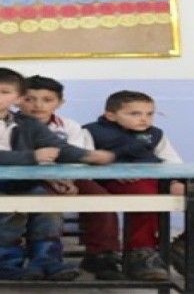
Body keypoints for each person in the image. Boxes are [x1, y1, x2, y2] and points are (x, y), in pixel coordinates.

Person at [0, 67, 114, 281]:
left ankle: (47, 262)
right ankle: (6, 267)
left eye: (4, 92)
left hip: (20, 182)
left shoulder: (28, 123)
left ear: (18, 98)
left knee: (49, 207)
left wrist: (88, 156)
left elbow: (56, 147)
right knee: (12, 211)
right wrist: (31, 157)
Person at [19, 75, 124, 280]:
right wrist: (52, 178)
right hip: (29, 179)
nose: (38, 105)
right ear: (17, 100)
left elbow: (78, 157)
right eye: (29, 99)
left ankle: (100, 254)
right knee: (48, 204)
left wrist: (67, 178)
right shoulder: (11, 125)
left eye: (47, 100)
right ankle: (46, 259)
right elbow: (15, 158)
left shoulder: (70, 126)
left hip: (70, 177)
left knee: (101, 199)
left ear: (60, 102)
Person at [83, 90, 184, 281]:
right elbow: (83, 161)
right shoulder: (91, 131)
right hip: (114, 182)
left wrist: (173, 181)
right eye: (135, 113)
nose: (144, 119)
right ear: (110, 115)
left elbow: (172, 162)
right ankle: (140, 252)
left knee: (187, 192)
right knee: (144, 194)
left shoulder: (155, 134)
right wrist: (112, 171)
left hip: (155, 179)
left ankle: (183, 247)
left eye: (149, 114)